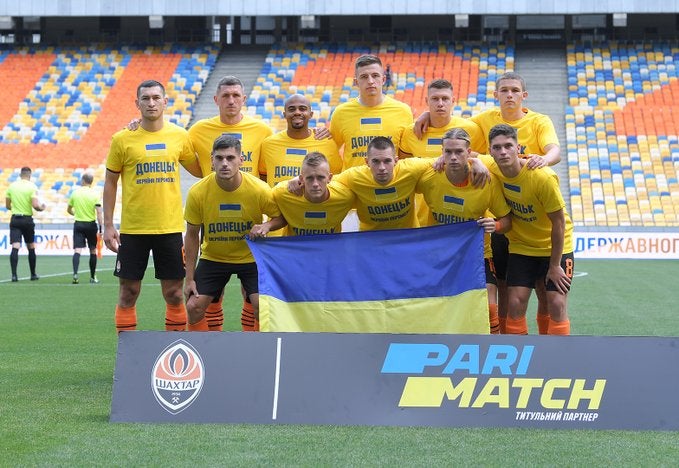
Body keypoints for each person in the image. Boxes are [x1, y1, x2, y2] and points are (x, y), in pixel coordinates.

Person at [103, 79, 202, 333]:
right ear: (137, 103)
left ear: (165, 102)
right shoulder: (122, 138)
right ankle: (129, 359)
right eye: (145, 98)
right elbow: (111, 182)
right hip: (133, 229)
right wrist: (108, 225)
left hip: (168, 228)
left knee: (174, 294)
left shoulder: (180, 136)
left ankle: (173, 354)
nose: (151, 102)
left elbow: (202, 170)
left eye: (156, 98)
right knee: (128, 292)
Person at [183, 135, 285, 331]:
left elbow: (280, 218)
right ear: (211, 160)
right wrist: (189, 279)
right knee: (193, 306)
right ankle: (204, 351)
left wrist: (266, 226)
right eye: (219, 158)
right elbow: (192, 234)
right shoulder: (198, 192)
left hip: (250, 258)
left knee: (261, 306)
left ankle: (256, 352)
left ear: (241, 160)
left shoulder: (258, 189)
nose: (224, 164)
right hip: (213, 257)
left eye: (230, 158)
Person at [416, 128, 512, 334]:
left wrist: (495, 226)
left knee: (489, 307)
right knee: (439, 306)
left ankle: (493, 351)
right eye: (448, 152)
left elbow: (507, 221)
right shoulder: (429, 176)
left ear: (469, 153)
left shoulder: (485, 180)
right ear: (441, 152)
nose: (452, 157)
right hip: (440, 255)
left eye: (459, 152)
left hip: (477, 255)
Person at [487, 124, 573, 335]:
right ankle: (520, 361)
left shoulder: (542, 177)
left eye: (508, 146)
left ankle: (556, 358)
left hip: (553, 247)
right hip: (521, 247)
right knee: (515, 303)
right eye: (497, 147)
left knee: (556, 303)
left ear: (519, 148)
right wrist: (476, 164)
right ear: (490, 151)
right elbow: (465, 156)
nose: (503, 152)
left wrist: (554, 265)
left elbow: (559, 223)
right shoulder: (492, 168)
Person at [399, 79, 485, 226]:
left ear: (453, 101)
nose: (440, 103)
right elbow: (404, 166)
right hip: (423, 214)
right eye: (435, 99)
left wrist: (475, 160)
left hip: (462, 213)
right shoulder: (411, 132)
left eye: (445, 99)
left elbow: (484, 160)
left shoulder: (471, 129)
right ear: (427, 100)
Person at [330, 54, 413, 171]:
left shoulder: (403, 111)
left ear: (383, 79)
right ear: (356, 82)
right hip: (354, 186)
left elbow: (408, 154)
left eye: (375, 76)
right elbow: (330, 150)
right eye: (364, 77)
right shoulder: (341, 113)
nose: (370, 81)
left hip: (390, 184)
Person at [260, 94, 343, 188]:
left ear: (311, 114)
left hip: (313, 203)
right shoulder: (269, 144)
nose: (297, 112)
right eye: (291, 109)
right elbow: (263, 177)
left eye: (302, 109)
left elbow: (335, 178)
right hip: (278, 202)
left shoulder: (327, 143)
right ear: (284, 115)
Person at [272, 152, 355, 236]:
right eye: (309, 178)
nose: (315, 184)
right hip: (294, 248)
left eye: (321, 178)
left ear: (329, 178)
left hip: (329, 249)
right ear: (301, 179)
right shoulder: (282, 193)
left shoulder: (345, 197)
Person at [5, 166, 45, 282]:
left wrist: (15, 207)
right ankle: (33, 274)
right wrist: (41, 208)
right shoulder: (32, 187)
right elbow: (35, 205)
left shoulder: (12, 186)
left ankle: (14, 275)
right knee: (31, 246)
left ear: (20, 175)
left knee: (15, 246)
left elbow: (8, 205)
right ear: (30, 175)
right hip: (27, 220)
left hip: (15, 219)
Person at [67, 172, 103, 284]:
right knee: (92, 250)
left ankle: (75, 275)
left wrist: (75, 214)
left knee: (77, 250)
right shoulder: (95, 194)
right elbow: (99, 213)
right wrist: (101, 228)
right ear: (91, 182)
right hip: (91, 225)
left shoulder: (75, 193)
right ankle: (92, 277)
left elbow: (68, 209)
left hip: (78, 223)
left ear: (82, 181)